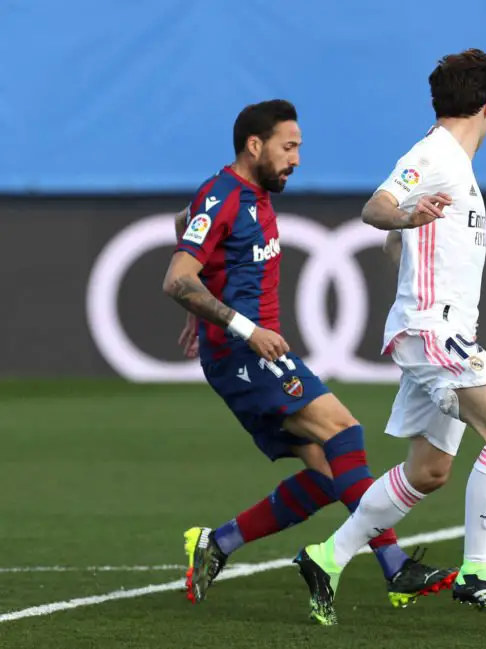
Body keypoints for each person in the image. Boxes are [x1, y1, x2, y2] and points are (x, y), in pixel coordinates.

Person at [162, 99, 455, 619]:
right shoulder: (224, 194)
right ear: (254, 145)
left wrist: (199, 306)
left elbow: (184, 225)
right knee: (344, 431)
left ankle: (218, 543)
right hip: (243, 354)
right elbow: (176, 278)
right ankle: (395, 566)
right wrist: (238, 325)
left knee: (326, 473)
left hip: (251, 350)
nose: (296, 159)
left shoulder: (246, 194)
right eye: (288, 147)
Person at [294, 49, 486, 624]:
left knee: (428, 471)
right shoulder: (436, 154)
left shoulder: (454, 165)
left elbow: (395, 240)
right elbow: (377, 206)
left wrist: (407, 236)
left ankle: (327, 557)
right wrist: (402, 218)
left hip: (440, 330)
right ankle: (477, 572)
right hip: (432, 332)